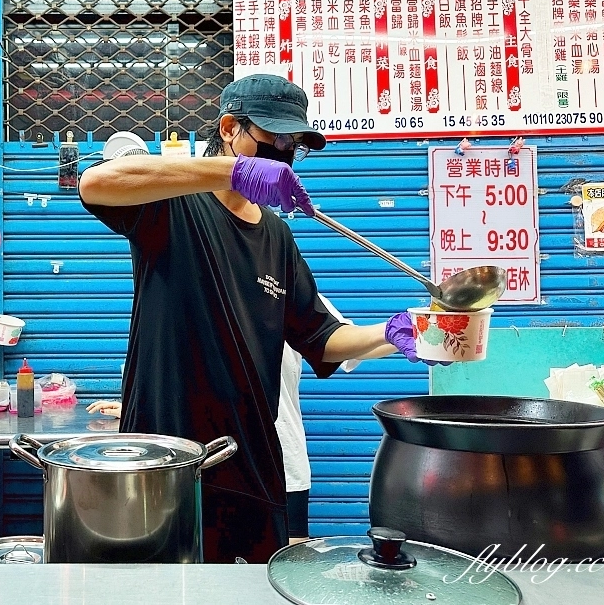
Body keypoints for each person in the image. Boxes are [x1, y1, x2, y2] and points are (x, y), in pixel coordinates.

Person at [77, 73, 434, 564]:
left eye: (294, 146)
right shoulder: (170, 204)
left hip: (250, 462)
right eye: (273, 139)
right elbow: (95, 184)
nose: (284, 155)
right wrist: (229, 173)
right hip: (166, 460)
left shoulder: (277, 238)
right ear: (229, 128)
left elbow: (320, 336)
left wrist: (401, 330)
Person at [87, 293, 363, 547]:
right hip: (210, 464)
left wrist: (396, 332)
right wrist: (140, 407)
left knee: (283, 571)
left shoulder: (288, 292)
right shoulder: (200, 293)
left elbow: (350, 347)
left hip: (281, 462)